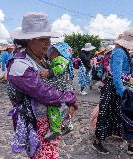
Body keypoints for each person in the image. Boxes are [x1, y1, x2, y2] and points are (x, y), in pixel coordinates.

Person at [7, 13, 78, 159]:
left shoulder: (42, 60)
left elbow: (57, 81)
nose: (48, 43)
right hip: (37, 125)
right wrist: (71, 97)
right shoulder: (20, 65)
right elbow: (45, 93)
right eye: (42, 39)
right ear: (29, 41)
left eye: (49, 39)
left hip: (49, 122)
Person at [92, 29, 133, 156]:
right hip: (115, 89)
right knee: (107, 115)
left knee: (124, 116)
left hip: (119, 87)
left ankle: (131, 145)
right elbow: (116, 75)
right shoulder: (118, 52)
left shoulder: (122, 51)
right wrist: (122, 92)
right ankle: (97, 141)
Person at [39, 42, 76, 141]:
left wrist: (49, 73)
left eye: (49, 51)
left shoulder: (60, 59)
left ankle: (55, 129)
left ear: (55, 52)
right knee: (63, 109)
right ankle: (67, 125)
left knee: (52, 107)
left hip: (59, 91)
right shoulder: (60, 59)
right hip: (65, 91)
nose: (48, 54)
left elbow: (59, 68)